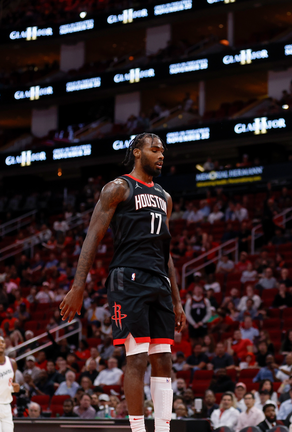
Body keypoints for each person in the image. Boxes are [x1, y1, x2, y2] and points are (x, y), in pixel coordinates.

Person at [60, 132, 186, 432]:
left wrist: (177, 300)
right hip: (128, 278)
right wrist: (78, 286)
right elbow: (93, 235)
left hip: (158, 280)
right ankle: (139, 430)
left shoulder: (165, 198)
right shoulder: (118, 187)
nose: (161, 155)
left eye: (163, 151)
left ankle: (164, 428)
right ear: (137, 153)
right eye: (154, 150)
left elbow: (166, 252)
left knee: (164, 359)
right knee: (137, 358)